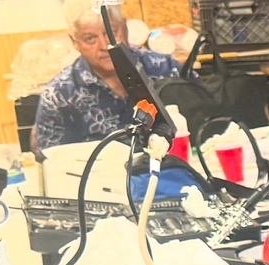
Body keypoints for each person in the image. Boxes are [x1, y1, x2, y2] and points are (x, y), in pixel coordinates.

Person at [34, 0, 179, 152]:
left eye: (111, 32)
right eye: (91, 39)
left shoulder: (166, 69)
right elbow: (50, 160)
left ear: (125, 28)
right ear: (75, 42)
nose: (105, 46)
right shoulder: (59, 96)